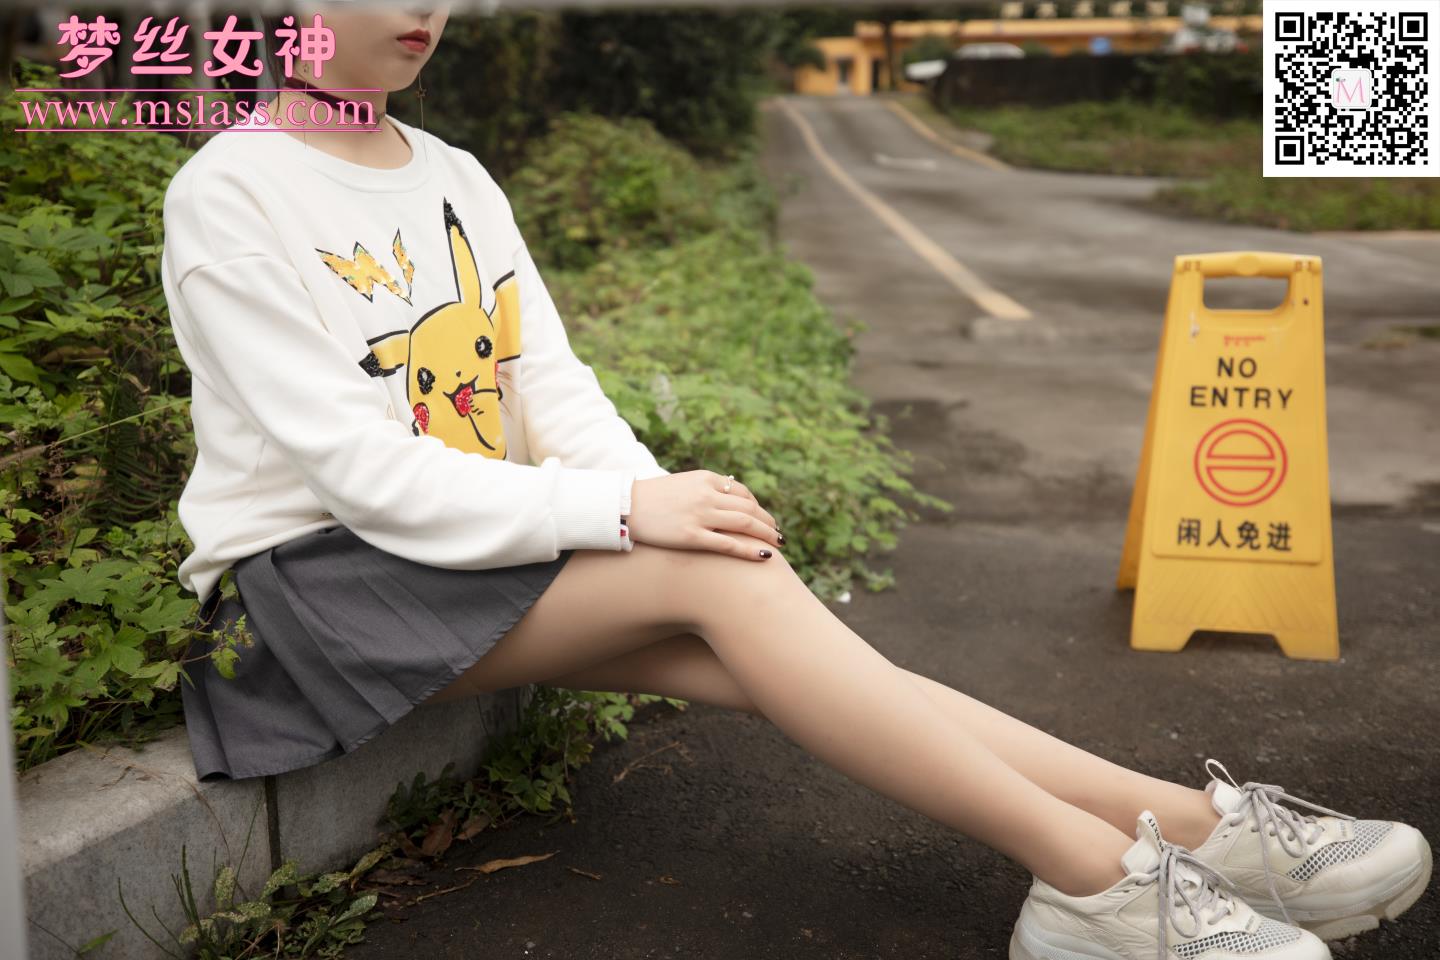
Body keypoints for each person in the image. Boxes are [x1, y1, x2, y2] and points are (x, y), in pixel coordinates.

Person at [161, 5, 1431, 959]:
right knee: (735, 591)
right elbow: (354, 469)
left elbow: (549, 385)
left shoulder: (452, 173)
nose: (425, 9)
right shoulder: (230, 190)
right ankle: (1103, 880)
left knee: (756, 610)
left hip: (452, 554)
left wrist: (659, 508)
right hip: (309, 595)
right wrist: (622, 513)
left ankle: (1180, 837)